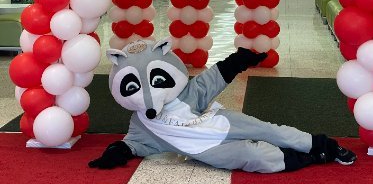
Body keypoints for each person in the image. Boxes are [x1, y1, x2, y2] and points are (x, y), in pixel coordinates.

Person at [89, 39, 357, 173]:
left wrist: (241, 59)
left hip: (222, 123)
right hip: (209, 150)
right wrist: (116, 152)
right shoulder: (141, 125)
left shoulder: (189, 93)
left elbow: (215, 77)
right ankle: (310, 158)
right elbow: (132, 144)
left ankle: (326, 146)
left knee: (270, 131)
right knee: (257, 158)